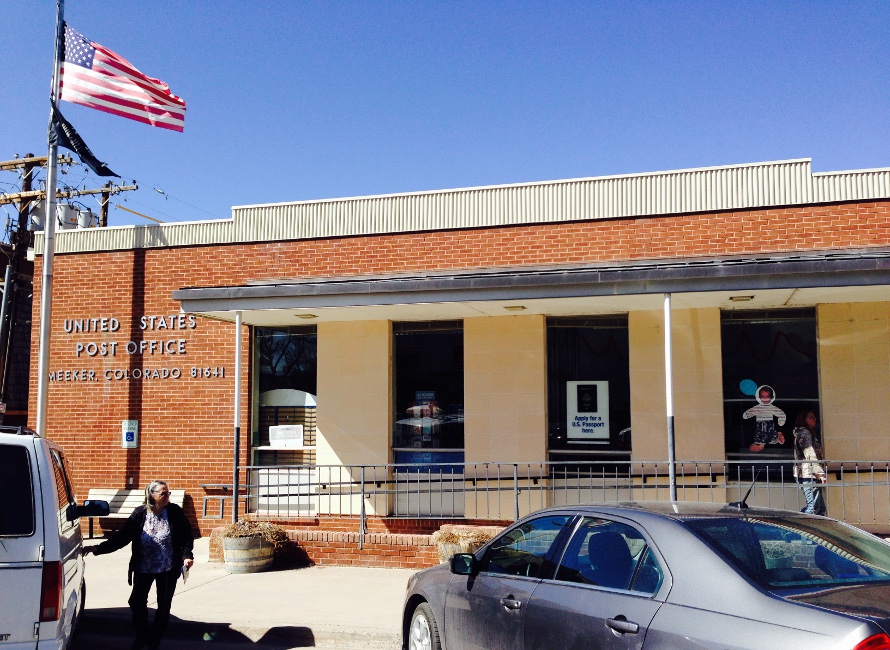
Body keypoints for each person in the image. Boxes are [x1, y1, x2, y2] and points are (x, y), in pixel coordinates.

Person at [85, 480, 194, 650]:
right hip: (144, 567)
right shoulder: (140, 513)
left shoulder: (174, 512)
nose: (167, 497)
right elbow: (122, 537)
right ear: (152, 495)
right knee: (136, 602)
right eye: (163, 494)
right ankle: (142, 634)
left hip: (167, 567)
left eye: (168, 493)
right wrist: (98, 548)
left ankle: (153, 640)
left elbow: (186, 534)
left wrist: (187, 555)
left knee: (164, 606)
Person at [792, 411, 827, 516]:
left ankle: (816, 529)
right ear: (804, 419)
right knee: (814, 508)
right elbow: (809, 453)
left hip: (810, 473)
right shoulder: (804, 433)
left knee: (820, 508)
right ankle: (800, 525)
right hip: (807, 473)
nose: (814, 419)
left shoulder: (807, 433)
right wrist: (820, 473)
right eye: (811, 417)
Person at [743, 385, 786, 452]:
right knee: (759, 437)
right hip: (759, 425)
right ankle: (760, 444)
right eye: (763, 397)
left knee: (771, 437)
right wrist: (746, 415)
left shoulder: (772, 408)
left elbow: (781, 414)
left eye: (767, 397)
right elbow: (749, 412)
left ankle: (777, 437)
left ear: (771, 397)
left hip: (769, 425)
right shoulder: (757, 407)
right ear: (759, 397)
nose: (765, 399)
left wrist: (781, 422)